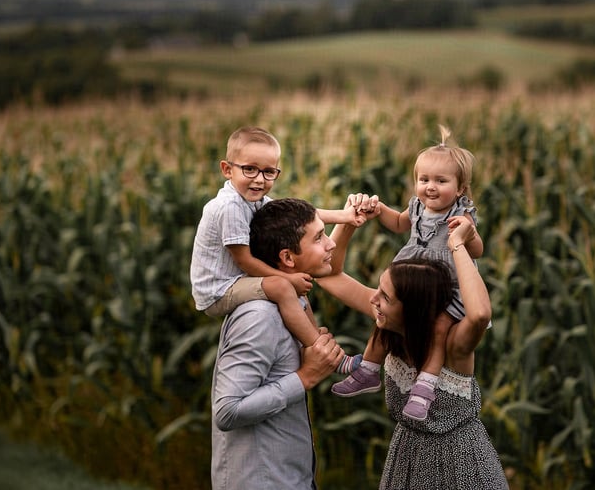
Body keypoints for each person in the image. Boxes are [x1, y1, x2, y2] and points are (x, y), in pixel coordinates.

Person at [316, 195, 509, 489]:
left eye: (385, 296)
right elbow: (328, 276)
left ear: (412, 309)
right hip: (406, 458)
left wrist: (458, 245)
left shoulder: (454, 344)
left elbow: (480, 314)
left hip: (461, 464)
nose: (373, 300)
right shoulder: (389, 319)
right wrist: (347, 220)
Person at [332, 125, 485, 421]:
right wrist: (379, 210)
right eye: (423, 179)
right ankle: (368, 369)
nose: (430, 187)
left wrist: (467, 235)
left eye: (441, 181)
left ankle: (424, 388)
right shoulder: (417, 207)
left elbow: (477, 251)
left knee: (439, 327)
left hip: (446, 286)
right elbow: (399, 224)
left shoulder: (461, 212)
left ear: (460, 188)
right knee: (384, 318)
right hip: (413, 277)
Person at [190, 126, 362, 374]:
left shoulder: (253, 198)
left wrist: (345, 216)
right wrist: (288, 278)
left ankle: (311, 338)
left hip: (236, 280)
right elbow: (245, 261)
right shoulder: (230, 207)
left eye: (268, 172)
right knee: (283, 286)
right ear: (227, 169)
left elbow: (303, 217)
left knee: (294, 286)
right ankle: (324, 353)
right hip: (218, 289)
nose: (259, 179)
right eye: (249, 169)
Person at [211, 198, 350, 490]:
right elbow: (227, 411)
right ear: (287, 257)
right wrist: (305, 377)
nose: (330, 244)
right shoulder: (259, 317)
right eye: (319, 238)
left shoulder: (293, 303)